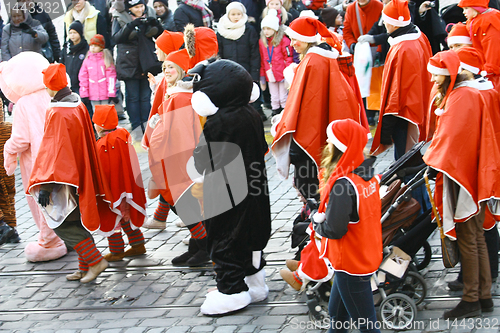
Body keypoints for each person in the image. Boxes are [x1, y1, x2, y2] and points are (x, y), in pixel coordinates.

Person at [190, 59, 271, 315]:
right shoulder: (252, 114)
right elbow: (263, 148)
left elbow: (204, 160)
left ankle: (232, 290)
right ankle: (255, 284)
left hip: (226, 193)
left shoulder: (218, 122)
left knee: (225, 239)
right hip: (256, 188)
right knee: (252, 238)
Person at [28, 63, 120, 283]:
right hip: (78, 171)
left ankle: (95, 261)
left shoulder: (58, 111)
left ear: (50, 86)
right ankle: (84, 266)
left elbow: (54, 151)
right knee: (76, 219)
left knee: (64, 223)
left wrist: (46, 185)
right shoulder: (75, 102)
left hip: (63, 177)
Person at [423, 50, 498, 319]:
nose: (433, 81)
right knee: (476, 237)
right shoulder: (470, 93)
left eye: (435, 76)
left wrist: (430, 159)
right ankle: (484, 295)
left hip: (463, 177)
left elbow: (450, 140)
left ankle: (471, 299)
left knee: (468, 238)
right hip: (473, 174)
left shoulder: (462, 97)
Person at [271, 16, 362, 204]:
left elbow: (306, 108)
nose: (294, 44)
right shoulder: (321, 57)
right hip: (322, 132)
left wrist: (294, 148)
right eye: (291, 39)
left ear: (308, 39)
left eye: (297, 39)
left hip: (309, 137)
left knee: (309, 184)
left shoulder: (312, 61)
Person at [313, 119, 382, 333]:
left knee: (367, 327)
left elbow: (335, 229)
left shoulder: (343, 184)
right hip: (364, 254)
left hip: (349, 263)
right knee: (338, 315)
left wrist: (316, 225)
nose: (327, 142)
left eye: (330, 139)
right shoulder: (366, 176)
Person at [0, 52, 67, 262]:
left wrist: (8, 152)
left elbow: (20, 140)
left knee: (43, 202)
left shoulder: (24, 104)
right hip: (61, 158)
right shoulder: (52, 94)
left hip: (38, 163)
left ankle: (50, 243)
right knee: (64, 198)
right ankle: (72, 238)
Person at [147, 49, 210, 266]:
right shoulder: (176, 93)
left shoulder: (181, 97)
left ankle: (204, 245)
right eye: (165, 67)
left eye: (170, 67)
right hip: (175, 156)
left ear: (182, 70)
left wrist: (157, 128)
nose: (166, 71)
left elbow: (181, 135)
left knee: (184, 202)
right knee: (182, 203)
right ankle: (198, 245)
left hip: (178, 158)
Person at [370, 0, 433, 160]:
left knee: (406, 164)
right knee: (409, 160)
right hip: (413, 110)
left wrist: (386, 129)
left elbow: (397, 93)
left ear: (395, 24)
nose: (383, 22)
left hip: (404, 115)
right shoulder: (417, 37)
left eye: (386, 19)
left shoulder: (403, 48)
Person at [92, 104, 147, 261]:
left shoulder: (103, 144)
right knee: (125, 216)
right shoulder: (122, 134)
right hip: (127, 187)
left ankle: (117, 251)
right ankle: (137, 244)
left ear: (100, 125)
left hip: (113, 189)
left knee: (113, 218)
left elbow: (103, 170)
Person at [112, 0, 163, 139]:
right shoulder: (119, 17)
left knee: (146, 96)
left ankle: (147, 125)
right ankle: (136, 127)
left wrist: (155, 23)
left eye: (141, 6)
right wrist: (131, 25)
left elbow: (160, 35)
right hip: (129, 61)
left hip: (146, 60)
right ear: (130, 8)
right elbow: (116, 38)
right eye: (136, 7)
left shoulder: (150, 12)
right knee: (133, 96)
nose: (140, 9)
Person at [216, 2, 267, 121]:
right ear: (228, 15)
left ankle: (253, 114)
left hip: (246, 67)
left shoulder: (249, 30)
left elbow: (254, 52)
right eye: (233, 14)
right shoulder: (222, 31)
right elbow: (219, 51)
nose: (236, 17)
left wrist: (254, 72)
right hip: (228, 69)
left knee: (249, 93)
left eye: (239, 14)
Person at [458, 0, 500, 91]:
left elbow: (493, 47)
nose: (463, 12)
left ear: (476, 8)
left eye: (466, 8)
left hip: (491, 72)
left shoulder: (489, 22)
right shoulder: (476, 19)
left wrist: (489, 69)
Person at [259, 9, 293, 117]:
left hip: (282, 73)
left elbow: (288, 57)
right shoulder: (262, 42)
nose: (266, 31)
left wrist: (288, 74)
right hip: (270, 73)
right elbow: (263, 59)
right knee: (273, 96)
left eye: (268, 28)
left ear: (274, 28)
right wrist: (262, 75)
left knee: (283, 96)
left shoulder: (284, 40)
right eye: (264, 29)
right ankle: (275, 112)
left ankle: (284, 112)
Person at [78, 34, 117, 117]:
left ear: (101, 47)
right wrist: (84, 93)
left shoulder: (105, 60)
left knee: (106, 113)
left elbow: (111, 77)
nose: (92, 48)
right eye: (91, 45)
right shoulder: (87, 61)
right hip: (93, 94)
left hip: (105, 94)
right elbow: (83, 77)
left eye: (95, 46)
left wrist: (111, 93)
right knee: (97, 114)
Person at [0, 99, 17, 245]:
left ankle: (2, 226)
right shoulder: (8, 127)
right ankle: (12, 229)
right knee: (9, 196)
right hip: (7, 167)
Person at [60, 21, 89, 96]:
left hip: (81, 84)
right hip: (68, 83)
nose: (72, 35)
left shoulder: (86, 48)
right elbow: (62, 63)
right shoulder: (66, 48)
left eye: (75, 33)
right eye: (70, 33)